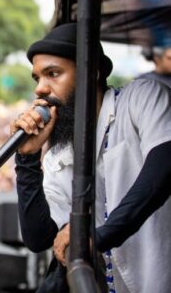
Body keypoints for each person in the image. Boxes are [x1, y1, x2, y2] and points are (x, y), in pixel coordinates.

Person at [11, 23, 171, 292]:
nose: (40, 89)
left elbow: (164, 167)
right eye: (37, 78)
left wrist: (100, 235)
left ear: (92, 73)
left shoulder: (141, 98)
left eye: (53, 74)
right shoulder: (59, 154)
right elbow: (38, 238)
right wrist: (26, 159)